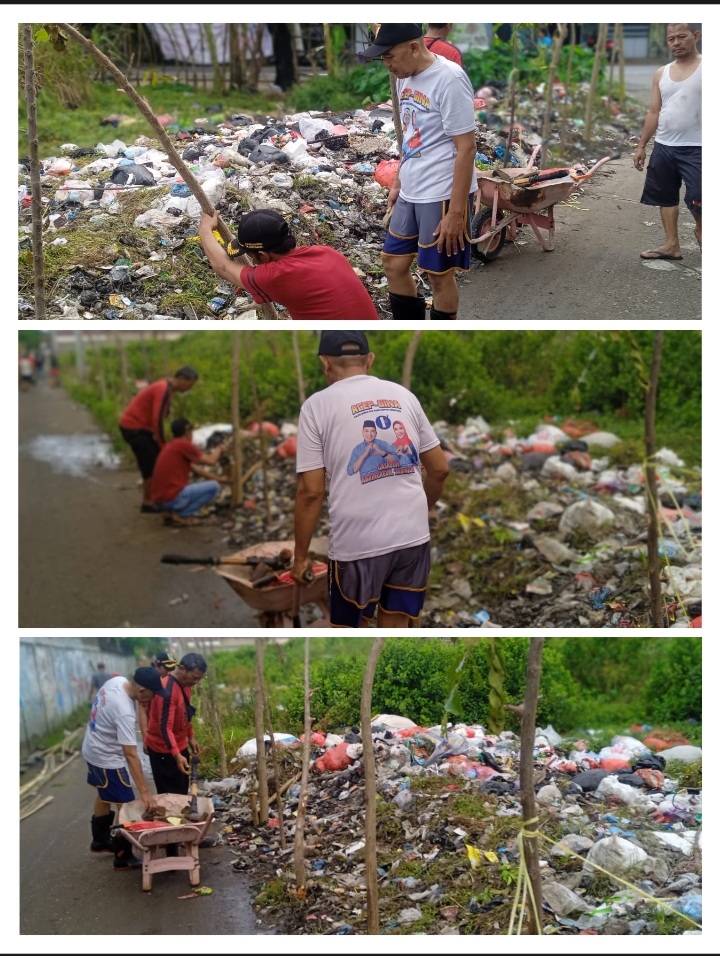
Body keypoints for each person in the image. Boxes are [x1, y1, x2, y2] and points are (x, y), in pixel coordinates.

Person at [292, 330, 450, 628]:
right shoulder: (405, 396)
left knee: (350, 629)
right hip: (412, 539)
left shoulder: (316, 406)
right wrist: (425, 507)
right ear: (370, 360)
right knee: (397, 626)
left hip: (357, 544)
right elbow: (439, 469)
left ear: (325, 363)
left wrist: (300, 559)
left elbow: (311, 492)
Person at [361, 24, 477, 320]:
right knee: (393, 264)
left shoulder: (449, 79)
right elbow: (412, 133)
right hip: (411, 187)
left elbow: (466, 148)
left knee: (439, 275)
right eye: (382, 59)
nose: (387, 64)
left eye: (389, 56)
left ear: (414, 47)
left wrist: (455, 212)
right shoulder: (404, 76)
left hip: (441, 193)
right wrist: (399, 180)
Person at [198, 209, 379, 319]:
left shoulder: (278, 275)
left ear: (262, 255)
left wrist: (205, 228)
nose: (252, 261)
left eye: (252, 256)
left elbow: (222, 266)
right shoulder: (327, 252)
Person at [82, 667, 166, 869]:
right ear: (142, 689)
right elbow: (130, 755)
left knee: (105, 794)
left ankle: (100, 841)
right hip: (106, 759)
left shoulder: (117, 681)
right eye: (153, 694)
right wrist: (145, 792)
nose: (154, 698)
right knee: (126, 807)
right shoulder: (125, 712)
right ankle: (123, 856)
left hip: (91, 747)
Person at [634, 24, 701, 260]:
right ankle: (672, 245)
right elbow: (654, 111)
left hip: (699, 147)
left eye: (682, 37)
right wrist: (642, 145)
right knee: (665, 196)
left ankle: (702, 231)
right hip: (664, 146)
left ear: (696, 36)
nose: (676, 42)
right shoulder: (661, 73)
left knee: (700, 198)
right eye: (671, 38)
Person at [119, 367, 199, 513]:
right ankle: (148, 502)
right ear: (181, 379)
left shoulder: (165, 388)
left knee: (156, 461)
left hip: (140, 427)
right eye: (189, 384)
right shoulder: (163, 389)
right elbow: (157, 419)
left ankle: (154, 498)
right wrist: (163, 444)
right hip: (134, 427)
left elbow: (160, 418)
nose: (189, 389)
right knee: (150, 464)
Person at [144, 653, 206, 798]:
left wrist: (190, 736)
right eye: (195, 677)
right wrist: (177, 755)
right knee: (169, 796)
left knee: (182, 789)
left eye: (199, 678)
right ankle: (170, 820)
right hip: (163, 751)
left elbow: (185, 712)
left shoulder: (186, 685)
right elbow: (165, 727)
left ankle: (178, 819)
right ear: (182, 668)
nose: (197, 681)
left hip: (179, 746)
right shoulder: (167, 690)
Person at [151, 417, 231, 526]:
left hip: (160, 501)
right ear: (188, 432)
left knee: (213, 483)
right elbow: (211, 461)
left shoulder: (172, 446)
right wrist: (219, 449)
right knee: (214, 487)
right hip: (171, 498)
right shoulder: (184, 445)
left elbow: (197, 469)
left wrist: (220, 479)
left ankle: (169, 513)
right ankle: (181, 515)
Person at [138, 653, 178, 751]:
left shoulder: (175, 682)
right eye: (167, 668)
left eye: (172, 668)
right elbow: (143, 711)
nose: (170, 672)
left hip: (172, 736)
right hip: (155, 737)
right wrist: (145, 738)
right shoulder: (149, 682)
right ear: (157, 667)